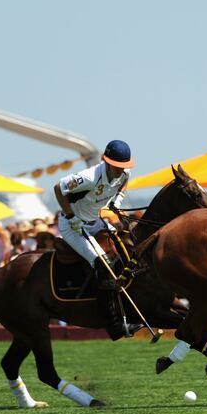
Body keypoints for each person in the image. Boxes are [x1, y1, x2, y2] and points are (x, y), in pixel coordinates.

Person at [54, 140, 142, 340]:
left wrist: (117, 200)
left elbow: (124, 181)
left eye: (124, 167)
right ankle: (114, 325)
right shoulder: (88, 177)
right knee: (103, 264)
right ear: (106, 161)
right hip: (72, 226)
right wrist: (70, 216)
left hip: (95, 221)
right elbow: (58, 189)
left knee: (128, 251)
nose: (121, 171)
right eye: (118, 167)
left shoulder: (124, 174)